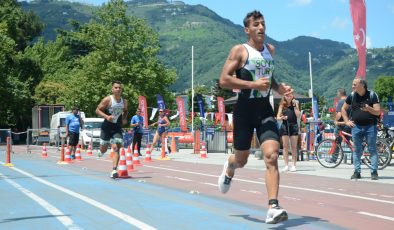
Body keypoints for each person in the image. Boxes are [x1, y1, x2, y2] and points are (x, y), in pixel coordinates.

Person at [217, 10, 293, 224]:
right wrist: (252, 85)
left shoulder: (270, 50)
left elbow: (269, 79)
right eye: (256, 24)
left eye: (263, 23)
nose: (261, 27)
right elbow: (223, 80)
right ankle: (229, 167)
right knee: (241, 160)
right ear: (247, 29)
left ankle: (272, 207)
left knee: (271, 155)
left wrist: (280, 88)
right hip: (244, 113)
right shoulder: (240, 51)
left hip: (265, 112)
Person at [341, 78, 381, 180]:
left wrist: (369, 108)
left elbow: (377, 112)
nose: (352, 86)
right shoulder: (352, 95)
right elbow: (343, 109)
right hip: (356, 127)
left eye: (354, 84)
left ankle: (374, 172)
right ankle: (357, 172)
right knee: (357, 150)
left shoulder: (372, 95)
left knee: (372, 149)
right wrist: (346, 121)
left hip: (370, 127)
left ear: (362, 85)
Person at [96, 80, 128, 178]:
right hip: (106, 127)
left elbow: (126, 111)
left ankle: (114, 170)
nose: (118, 89)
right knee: (104, 149)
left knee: (116, 147)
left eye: (119, 88)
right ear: (112, 89)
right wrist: (106, 116)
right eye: (116, 87)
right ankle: (101, 151)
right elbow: (97, 110)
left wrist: (124, 118)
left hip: (117, 127)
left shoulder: (124, 101)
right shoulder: (107, 100)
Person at [276, 94, 300, 172]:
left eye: (290, 95)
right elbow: (278, 117)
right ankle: (286, 165)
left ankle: (293, 165)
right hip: (285, 126)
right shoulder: (282, 105)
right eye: (287, 95)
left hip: (293, 125)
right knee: (285, 147)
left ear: (292, 96)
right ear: (284, 96)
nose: (288, 97)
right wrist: (282, 117)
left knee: (294, 147)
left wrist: (295, 106)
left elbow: (298, 115)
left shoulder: (295, 104)